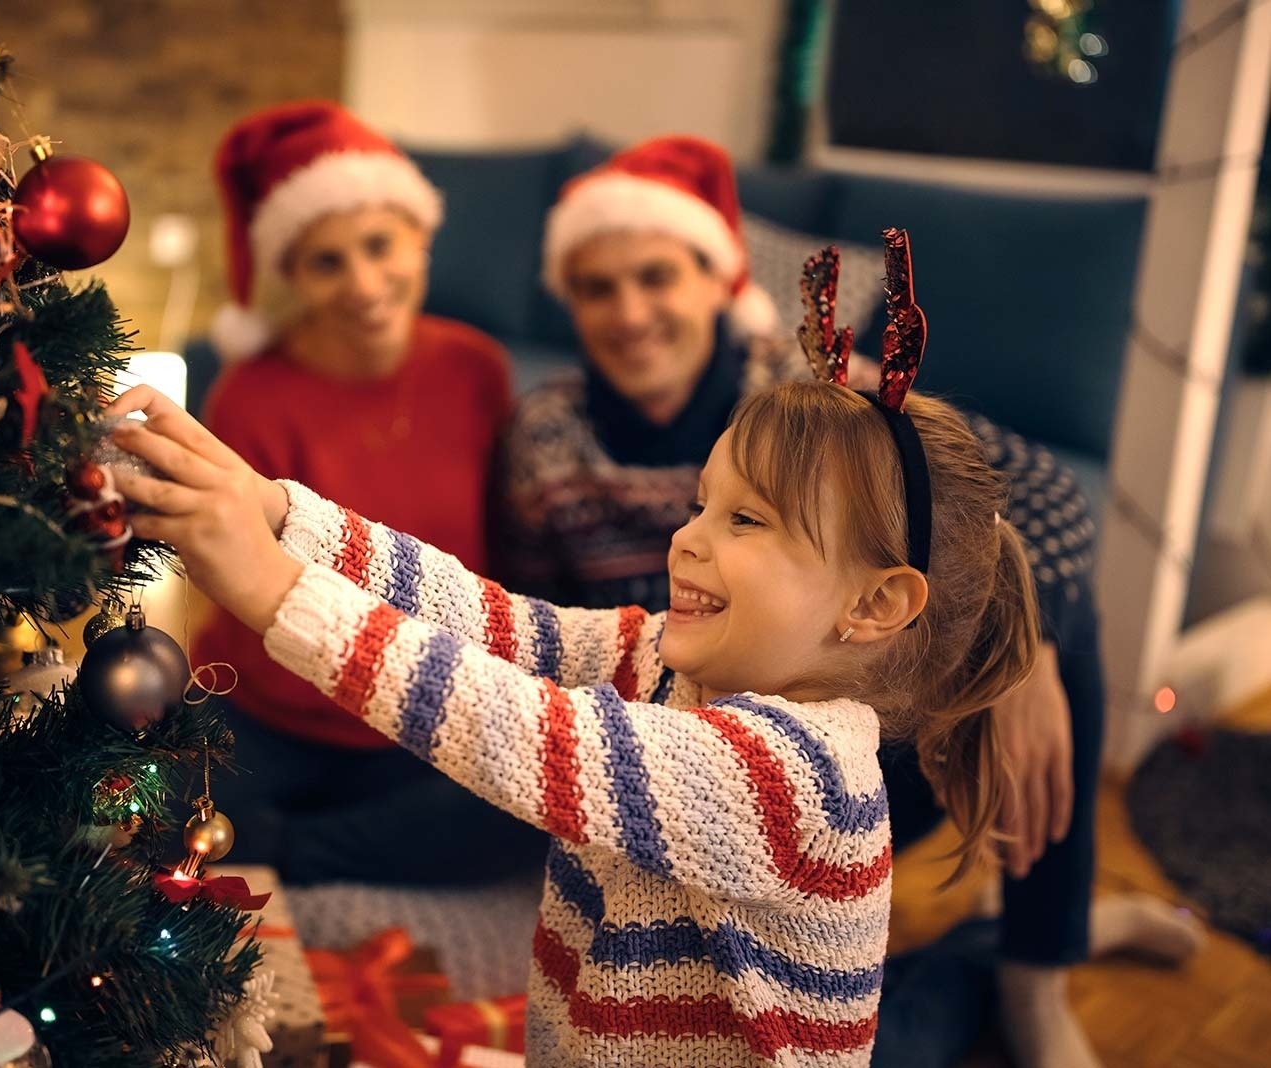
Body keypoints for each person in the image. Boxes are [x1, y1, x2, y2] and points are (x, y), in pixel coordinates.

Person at [101, 263, 1042, 1066]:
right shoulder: (670, 663)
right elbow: (493, 624)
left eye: (745, 521)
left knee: (922, 1026)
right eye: (703, 503)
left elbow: (522, 728)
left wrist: (273, 588)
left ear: (874, 605)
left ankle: (979, 970)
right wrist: (276, 512)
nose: (689, 540)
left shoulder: (796, 778)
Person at [496, 136, 1202, 1067]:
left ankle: (1038, 968)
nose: (628, 312)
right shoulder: (545, 438)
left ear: (717, 277)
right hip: (670, 762)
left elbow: (1036, 494)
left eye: (656, 276)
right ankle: (1001, 955)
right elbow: (531, 625)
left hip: (850, 755)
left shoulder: (814, 404)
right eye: (595, 287)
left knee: (1054, 610)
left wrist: (1022, 651)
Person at [192, 100, 544, 884]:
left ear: (420, 239)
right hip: (270, 712)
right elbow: (241, 583)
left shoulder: (477, 370)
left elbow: (507, 553)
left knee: (530, 816)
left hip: (421, 716)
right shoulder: (249, 397)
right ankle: (320, 839)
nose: (363, 284)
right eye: (326, 262)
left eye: (380, 245)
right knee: (160, 814)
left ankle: (289, 850)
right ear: (290, 277)